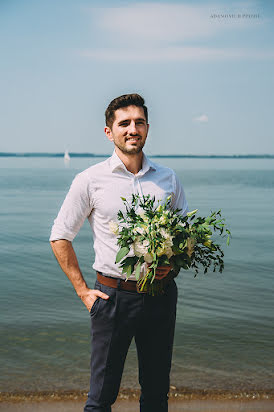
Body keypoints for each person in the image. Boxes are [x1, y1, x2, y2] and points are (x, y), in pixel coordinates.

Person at [50, 93, 188, 412]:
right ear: (109, 132)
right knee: (101, 398)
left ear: (148, 129)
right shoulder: (90, 180)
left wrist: (172, 266)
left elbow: (182, 237)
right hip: (113, 298)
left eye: (139, 122)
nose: (132, 129)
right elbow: (60, 236)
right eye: (124, 123)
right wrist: (83, 291)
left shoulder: (168, 179)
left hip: (161, 296)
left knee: (156, 395)